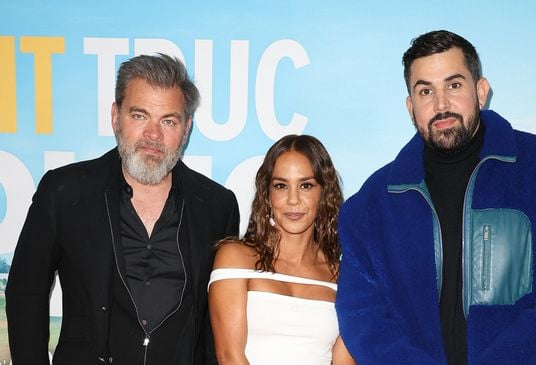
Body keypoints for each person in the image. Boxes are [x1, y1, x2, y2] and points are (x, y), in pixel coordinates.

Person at [335, 30, 536, 364]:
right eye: (425, 91)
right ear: (410, 106)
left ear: (481, 91)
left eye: (454, 85)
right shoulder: (370, 206)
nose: (441, 104)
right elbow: (363, 316)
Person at [6, 53, 240, 364]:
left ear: (186, 129)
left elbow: (219, 320)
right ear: (116, 116)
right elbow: (26, 294)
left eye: (168, 120)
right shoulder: (64, 192)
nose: (153, 135)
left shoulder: (217, 206)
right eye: (140, 115)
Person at [208, 134, 354, 365]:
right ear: (267, 194)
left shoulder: (343, 274)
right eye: (281, 186)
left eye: (306, 185)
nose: (293, 200)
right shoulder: (236, 257)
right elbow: (229, 356)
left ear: (324, 193)